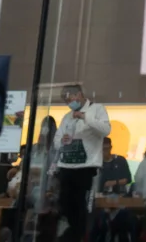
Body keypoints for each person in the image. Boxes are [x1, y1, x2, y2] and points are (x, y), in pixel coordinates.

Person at [52, 83, 111, 242]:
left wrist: (85, 117)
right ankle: (68, 236)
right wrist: (62, 140)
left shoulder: (97, 109)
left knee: (82, 208)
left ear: (79, 95)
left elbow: (106, 130)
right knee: (64, 205)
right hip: (66, 167)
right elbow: (56, 141)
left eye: (70, 99)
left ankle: (79, 237)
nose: (69, 103)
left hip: (86, 167)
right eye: (66, 101)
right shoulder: (67, 117)